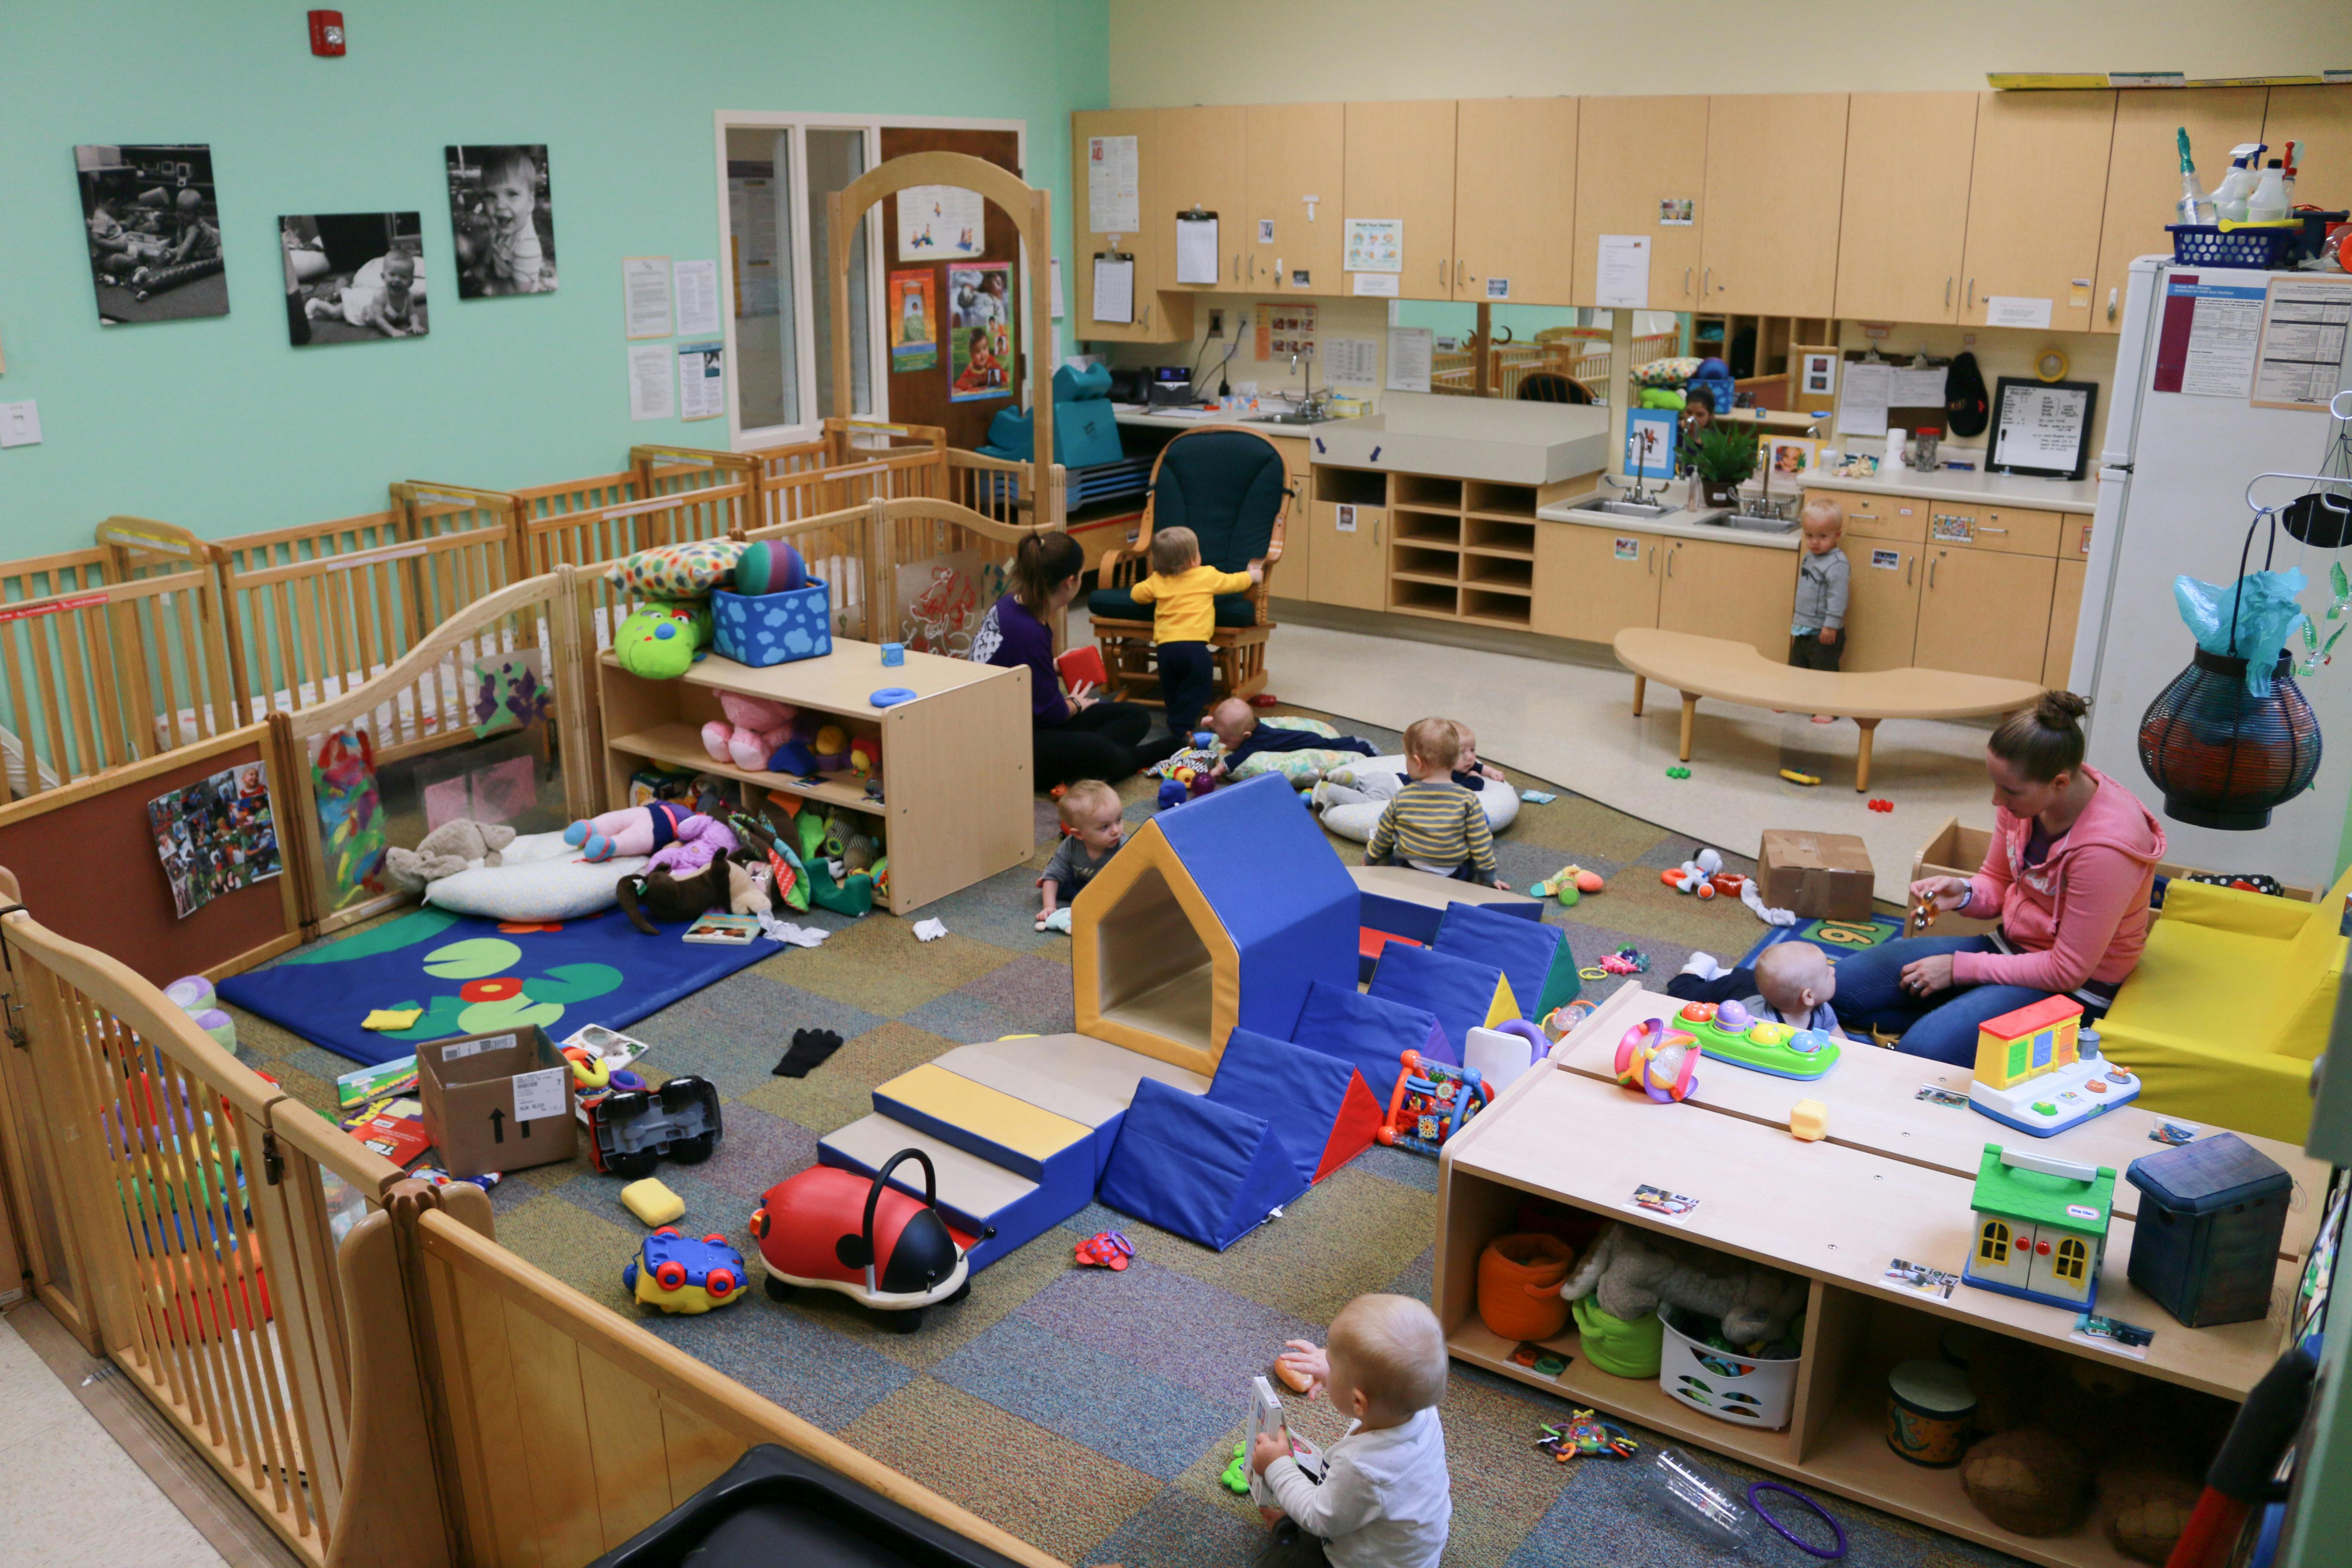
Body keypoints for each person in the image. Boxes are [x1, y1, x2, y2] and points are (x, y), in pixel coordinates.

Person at [1833, 691, 2164, 1065]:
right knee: (1836, 988)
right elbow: (1997, 879)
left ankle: (1946, 1027)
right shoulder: (2027, 801)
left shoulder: (2107, 850)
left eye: (2008, 790)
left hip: (2077, 989)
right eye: (1994, 783)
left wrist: (1960, 969)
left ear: (2059, 783)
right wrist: (1963, 893)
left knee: (1923, 1054)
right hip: (2011, 949)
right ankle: (1952, 1020)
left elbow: (2066, 971)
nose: (1995, 800)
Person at [1256, 1295, 1452, 1568]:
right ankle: (1292, 1529)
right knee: (1324, 1492)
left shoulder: (1362, 1467)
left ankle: (1288, 1534)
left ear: (1359, 1402)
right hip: (1407, 1547)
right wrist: (1335, 1371)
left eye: (1332, 1364)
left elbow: (1318, 1517)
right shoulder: (1417, 1408)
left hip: (1366, 1562)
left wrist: (1277, 1466)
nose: (1326, 1363)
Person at [974, 532, 1178, 789]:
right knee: (1102, 750)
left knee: (1136, 715)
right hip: (1012, 741)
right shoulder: (1030, 630)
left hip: (1020, 719)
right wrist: (1075, 704)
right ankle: (1138, 756)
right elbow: (1051, 713)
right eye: (1082, 575)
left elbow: (1016, 667)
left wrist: (1053, 667)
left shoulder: (1009, 605)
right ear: (1070, 582)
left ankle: (1079, 763)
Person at [1128, 525, 1261, 738]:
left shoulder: (1157, 580)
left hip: (1166, 649)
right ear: (1193, 560)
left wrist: (1150, 587)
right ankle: (1181, 726)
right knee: (1200, 685)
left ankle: (1175, 714)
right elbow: (1232, 583)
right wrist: (1251, 576)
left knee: (1171, 686)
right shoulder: (1206, 575)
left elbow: (1137, 594)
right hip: (1194, 649)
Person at [1365, 718, 1503, 888]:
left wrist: (1369, 859)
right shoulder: (1468, 799)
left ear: (1417, 762)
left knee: (1392, 837)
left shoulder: (1403, 796)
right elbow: (1481, 842)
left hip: (1407, 869)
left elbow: (1383, 834)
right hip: (1453, 876)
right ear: (1454, 761)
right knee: (1475, 840)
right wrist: (1489, 875)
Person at [1666, 940, 1850, 1037]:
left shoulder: (1823, 1011)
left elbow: (1848, 1050)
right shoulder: (1754, 1020)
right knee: (1678, 996)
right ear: (1808, 996)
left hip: (1750, 983)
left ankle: (1725, 973)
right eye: (1827, 972)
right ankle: (1703, 964)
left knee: (1746, 978)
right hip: (1733, 990)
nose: (1834, 970)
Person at [1205, 697, 1377, 780]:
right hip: (1300, 737)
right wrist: (1212, 723)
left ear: (1246, 737)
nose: (1222, 743)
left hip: (1306, 742)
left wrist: (1218, 770)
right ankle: (1354, 741)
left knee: (1329, 746)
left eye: (1226, 740)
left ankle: (1363, 746)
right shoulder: (1249, 727)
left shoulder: (1254, 742)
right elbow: (1225, 724)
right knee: (1328, 743)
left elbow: (1238, 757)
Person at [1038, 780, 1124, 928]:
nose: (1116, 831)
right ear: (1079, 835)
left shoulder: (1124, 846)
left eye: (1119, 820)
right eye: (1105, 827)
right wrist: (1049, 907)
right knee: (1054, 880)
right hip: (1082, 882)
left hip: (1112, 886)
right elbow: (1053, 875)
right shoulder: (1071, 846)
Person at [470, 147, 551, 295]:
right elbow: (493, 242)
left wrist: (491, 288)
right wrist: (484, 263)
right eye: (491, 195)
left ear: (530, 202)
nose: (499, 205)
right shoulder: (503, 222)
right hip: (502, 274)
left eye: (512, 193)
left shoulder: (526, 246)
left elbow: (519, 289)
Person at [1789, 497, 1849, 680]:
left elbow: (1838, 597)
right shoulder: (1810, 556)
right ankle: (1790, 698)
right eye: (1809, 535)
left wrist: (1831, 625)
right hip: (1803, 627)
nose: (1815, 542)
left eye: (1823, 537)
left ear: (1837, 534)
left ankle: (1825, 706)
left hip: (1824, 631)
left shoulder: (1837, 564)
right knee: (1797, 667)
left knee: (1823, 672)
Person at [307, 248, 423, 337]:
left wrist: (415, 324)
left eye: (403, 277)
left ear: (410, 283)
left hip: (366, 297)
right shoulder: (381, 296)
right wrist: (393, 331)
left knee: (342, 293)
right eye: (392, 275)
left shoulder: (408, 296)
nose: (397, 280)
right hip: (358, 306)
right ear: (383, 277)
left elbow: (412, 314)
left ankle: (341, 290)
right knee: (334, 313)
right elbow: (380, 320)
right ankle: (316, 304)